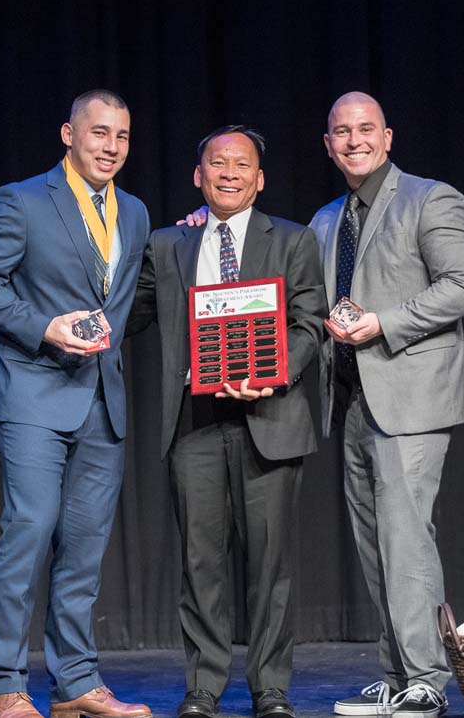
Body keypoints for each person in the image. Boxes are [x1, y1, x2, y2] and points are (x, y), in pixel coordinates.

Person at [0, 90, 152, 718]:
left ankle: (75, 685)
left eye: (121, 136)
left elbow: (134, 295)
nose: (110, 146)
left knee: (85, 546)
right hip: (35, 391)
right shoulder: (22, 200)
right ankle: (4, 686)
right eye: (99, 133)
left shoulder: (138, 212)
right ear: (69, 134)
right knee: (30, 531)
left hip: (103, 401)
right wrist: (43, 325)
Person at [126, 125, 326, 718]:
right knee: (199, 563)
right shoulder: (168, 245)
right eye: (218, 163)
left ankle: (271, 690)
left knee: (271, 566)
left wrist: (275, 372)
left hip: (270, 414)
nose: (230, 173)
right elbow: (127, 309)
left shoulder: (292, 241)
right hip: (194, 422)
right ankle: (202, 688)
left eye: (242, 165)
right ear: (198, 175)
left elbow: (308, 322)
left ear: (260, 179)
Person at [310, 92, 464, 718]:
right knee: (374, 542)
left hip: (412, 394)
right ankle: (396, 673)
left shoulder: (430, 198)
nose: (354, 139)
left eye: (365, 129)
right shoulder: (327, 218)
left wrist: (384, 322)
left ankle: (426, 681)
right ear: (328, 144)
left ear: (387, 137)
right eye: (341, 131)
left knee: (406, 536)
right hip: (352, 398)